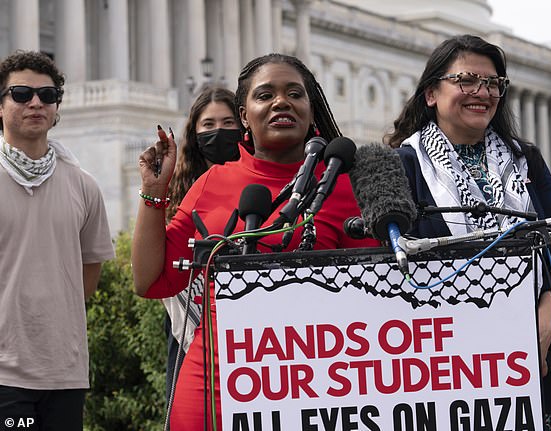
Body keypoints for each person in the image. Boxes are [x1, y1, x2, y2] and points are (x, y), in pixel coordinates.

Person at [131, 53, 378, 430]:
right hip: (213, 388)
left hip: (319, 390)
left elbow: (377, 300)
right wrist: (153, 193)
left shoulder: (345, 188)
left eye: (295, 93)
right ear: (245, 116)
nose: (281, 102)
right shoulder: (213, 182)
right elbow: (151, 280)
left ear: (311, 110)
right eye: (265, 95)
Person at [385, 34, 551, 431]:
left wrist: (546, 323)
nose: (483, 92)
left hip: (536, 355)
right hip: (444, 366)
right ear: (430, 94)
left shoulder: (526, 160)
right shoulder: (401, 166)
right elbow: (391, 273)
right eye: (467, 80)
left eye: (493, 83)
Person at [0, 51, 114, 429]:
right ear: (0, 106)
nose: (35, 102)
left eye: (47, 95)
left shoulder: (84, 185)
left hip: (65, 373)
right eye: (20, 94)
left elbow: (88, 276)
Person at [162, 86, 241, 407]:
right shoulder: (181, 190)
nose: (218, 132)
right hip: (187, 323)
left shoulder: (258, 184)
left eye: (227, 122)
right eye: (208, 125)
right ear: (194, 134)